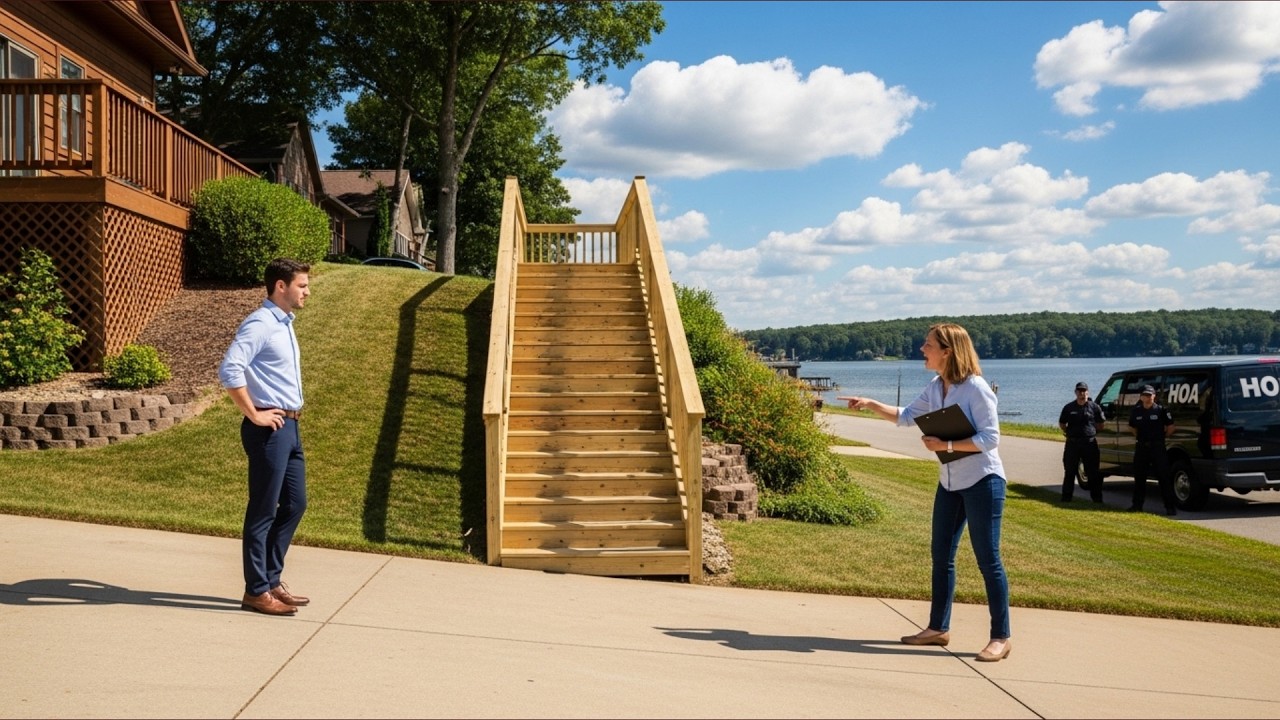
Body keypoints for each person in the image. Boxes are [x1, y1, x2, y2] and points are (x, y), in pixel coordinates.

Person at [837, 322, 1011, 662]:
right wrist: (870, 403)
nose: (922, 349)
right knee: (941, 556)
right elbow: (905, 416)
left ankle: (1001, 637)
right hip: (949, 483)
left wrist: (945, 443)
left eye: (928, 344)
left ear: (947, 351)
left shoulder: (975, 388)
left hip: (983, 482)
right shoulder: (936, 386)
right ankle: (938, 628)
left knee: (988, 559)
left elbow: (991, 439)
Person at [218, 258, 313, 616]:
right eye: (301, 285)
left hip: (290, 427)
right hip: (268, 429)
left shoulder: (284, 324)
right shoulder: (261, 323)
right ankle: (256, 591)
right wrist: (253, 413)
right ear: (280, 286)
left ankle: (271, 579)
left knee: (295, 503)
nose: (307, 291)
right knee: (262, 510)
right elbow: (230, 367)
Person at [1128, 384, 1176, 516]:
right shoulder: (1136, 411)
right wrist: (1139, 437)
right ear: (1141, 397)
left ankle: (1170, 507)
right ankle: (1137, 505)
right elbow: (1132, 427)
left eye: (1150, 395)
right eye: (1145, 395)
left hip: (1157, 447)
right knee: (1139, 477)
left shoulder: (1161, 410)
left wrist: (1160, 438)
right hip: (1142, 447)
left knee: (1164, 477)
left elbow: (1171, 427)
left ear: (1154, 396)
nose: (1147, 397)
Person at [1058, 381, 1105, 503]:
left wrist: (1091, 432)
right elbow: (1062, 423)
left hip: (1089, 443)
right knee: (1070, 471)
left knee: (1093, 472)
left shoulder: (1094, 407)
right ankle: (1066, 498)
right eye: (1079, 391)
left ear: (1087, 392)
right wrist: (1069, 432)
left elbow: (1101, 424)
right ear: (1075, 392)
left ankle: (1097, 499)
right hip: (1073, 444)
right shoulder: (1069, 408)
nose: (1082, 393)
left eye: (1084, 391)